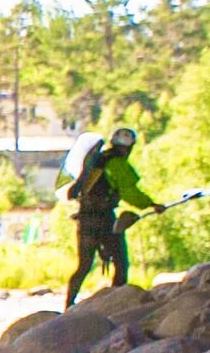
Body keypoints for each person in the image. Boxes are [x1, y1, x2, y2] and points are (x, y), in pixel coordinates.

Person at [66, 127, 161, 308]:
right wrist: (151, 204)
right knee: (120, 262)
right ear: (129, 147)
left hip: (85, 218)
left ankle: (69, 304)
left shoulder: (97, 161)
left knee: (84, 265)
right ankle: (118, 303)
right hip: (104, 220)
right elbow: (129, 193)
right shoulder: (118, 164)